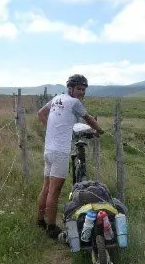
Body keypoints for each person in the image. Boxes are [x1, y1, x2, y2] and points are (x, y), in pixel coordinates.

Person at [37, 74, 104, 239]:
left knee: (46, 187)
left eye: (83, 90)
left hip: (48, 149)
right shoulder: (75, 103)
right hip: (60, 152)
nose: (82, 92)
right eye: (79, 89)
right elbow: (89, 119)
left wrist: (52, 129)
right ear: (70, 88)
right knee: (55, 190)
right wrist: (99, 131)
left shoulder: (57, 98)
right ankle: (51, 228)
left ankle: (40, 221)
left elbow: (40, 113)